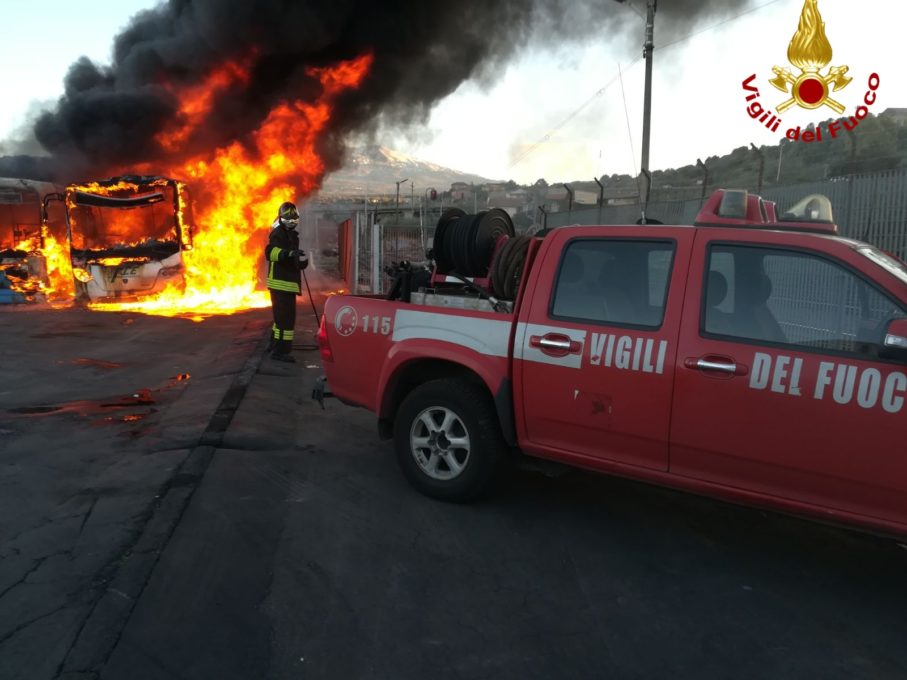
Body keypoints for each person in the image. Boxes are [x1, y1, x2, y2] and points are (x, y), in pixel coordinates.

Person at [264, 201, 308, 363]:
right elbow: (271, 252)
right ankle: (281, 352)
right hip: (281, 283)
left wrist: (299, 263)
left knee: (280, 319)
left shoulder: (289, 234)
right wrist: (288, 254)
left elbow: (289, 257)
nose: (292, 220)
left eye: (294, 217)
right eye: (289, 218)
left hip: (286, 283)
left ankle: (275, 344)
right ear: (282, 218)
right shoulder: (278, 233)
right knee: (286, 320)